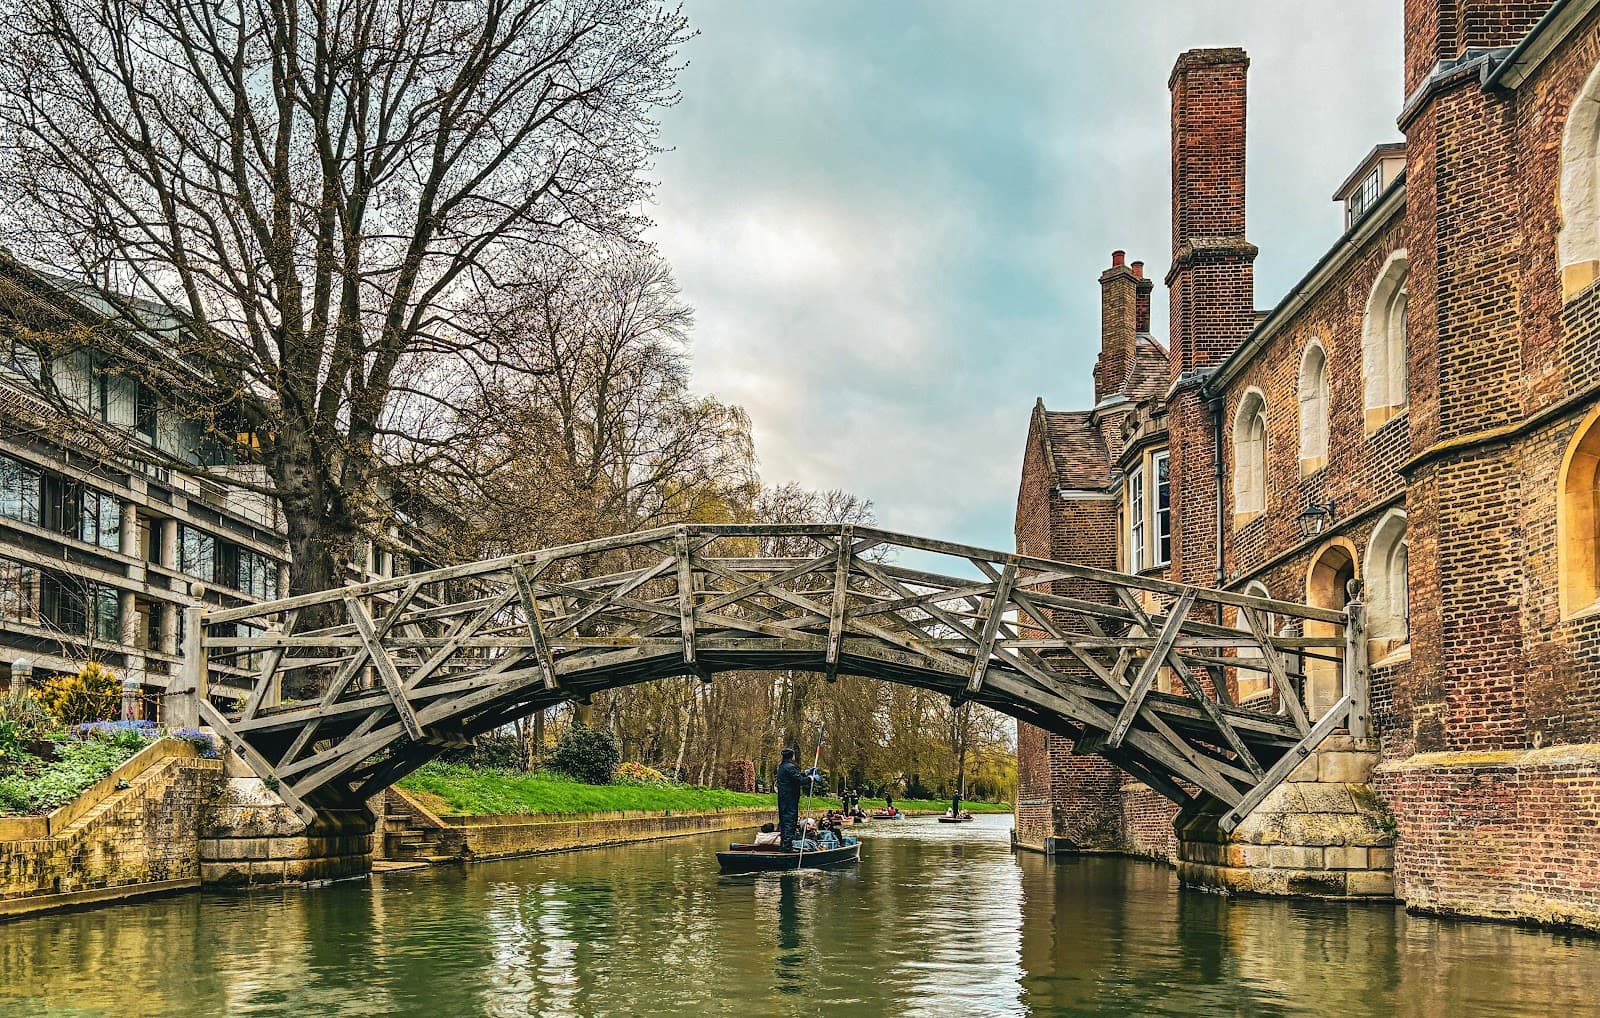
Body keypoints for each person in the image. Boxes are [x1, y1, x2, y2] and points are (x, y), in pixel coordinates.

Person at [774, 747, 817, 850]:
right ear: (792, 756)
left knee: (784, 822)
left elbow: (793, 777)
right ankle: (787, 847)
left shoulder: (782, 767)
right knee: (790, 821)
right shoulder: (790, 767)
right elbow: (799, 780)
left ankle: (783, 845)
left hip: (783, 799)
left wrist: (805, 773)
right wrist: (811, 778)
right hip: (790, 799)